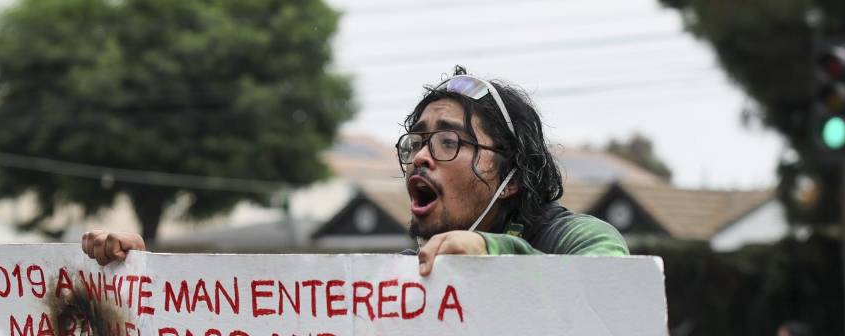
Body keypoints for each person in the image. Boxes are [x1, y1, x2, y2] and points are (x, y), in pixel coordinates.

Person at [81, 66, 628, 269]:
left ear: (509, 178)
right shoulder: (403, 277)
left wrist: (492, 253)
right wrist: (144, 281)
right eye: (417, 140)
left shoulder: (571, 238)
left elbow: (613, 283)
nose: (419, 156)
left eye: (447, 141)